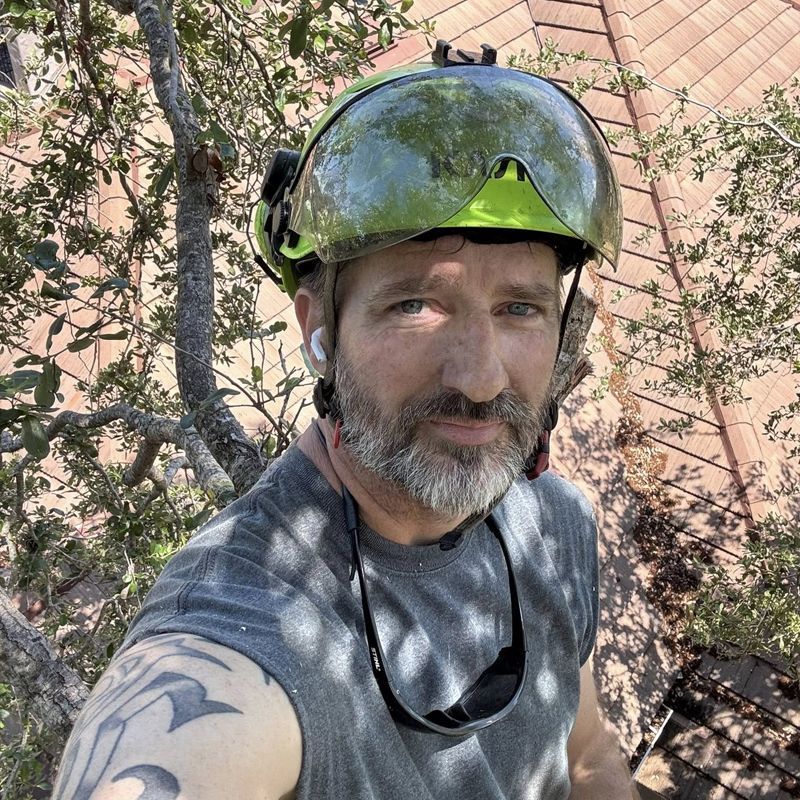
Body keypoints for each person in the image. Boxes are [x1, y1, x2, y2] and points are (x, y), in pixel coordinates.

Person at [53, 40, 638, 800]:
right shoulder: (248, 622)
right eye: (415, 305)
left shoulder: (555, 522)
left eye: (519, 308)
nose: (482, 377)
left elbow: (586, 752)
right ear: (318, 330)